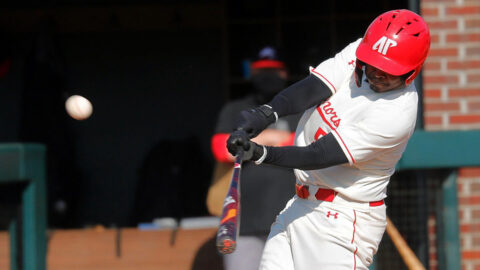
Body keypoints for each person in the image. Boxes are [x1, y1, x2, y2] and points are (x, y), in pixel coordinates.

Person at [226, 9, 430, 270]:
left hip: (343, 220)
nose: (377, 73)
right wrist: (265, 114)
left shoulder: (397, 112)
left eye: (388, 71)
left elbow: (318, 155)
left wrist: (261, 153)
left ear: (411, 72)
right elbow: (315, 87)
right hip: (300, 204)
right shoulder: (362, 51)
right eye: (373, 64)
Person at [210, 46, 300, 270]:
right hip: (243, 219)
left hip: (293, 221)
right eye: (262, 70)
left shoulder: (300, 109)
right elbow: (220, 148)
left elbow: (314, 147)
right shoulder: (237, 110)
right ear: (252, 73)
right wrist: (268, 138)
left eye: (274, 70)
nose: (268, 76)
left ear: (285, 73)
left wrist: (256, 143)